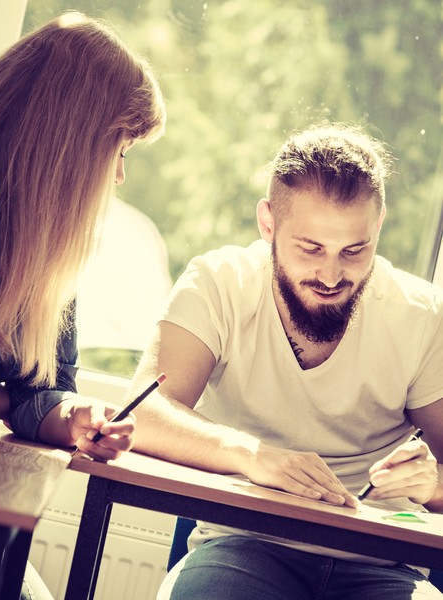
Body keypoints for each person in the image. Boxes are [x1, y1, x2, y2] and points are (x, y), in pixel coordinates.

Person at [128, 123, 443, 599]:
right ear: (268, 224)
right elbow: (144, 414)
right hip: (241, 547)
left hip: (385, 567)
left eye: (355, 250)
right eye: (310, 248)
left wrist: (432, 485)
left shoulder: (422, 315)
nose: (332, 275)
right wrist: (252, 456)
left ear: (378, 226)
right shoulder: (219, 283)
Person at [0, 11, 165, 599]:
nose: (119, 175)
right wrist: (10, 398)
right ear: (71, 142)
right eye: (119, 150)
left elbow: (43, 387)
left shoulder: (47, 254)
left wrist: (73, 417)